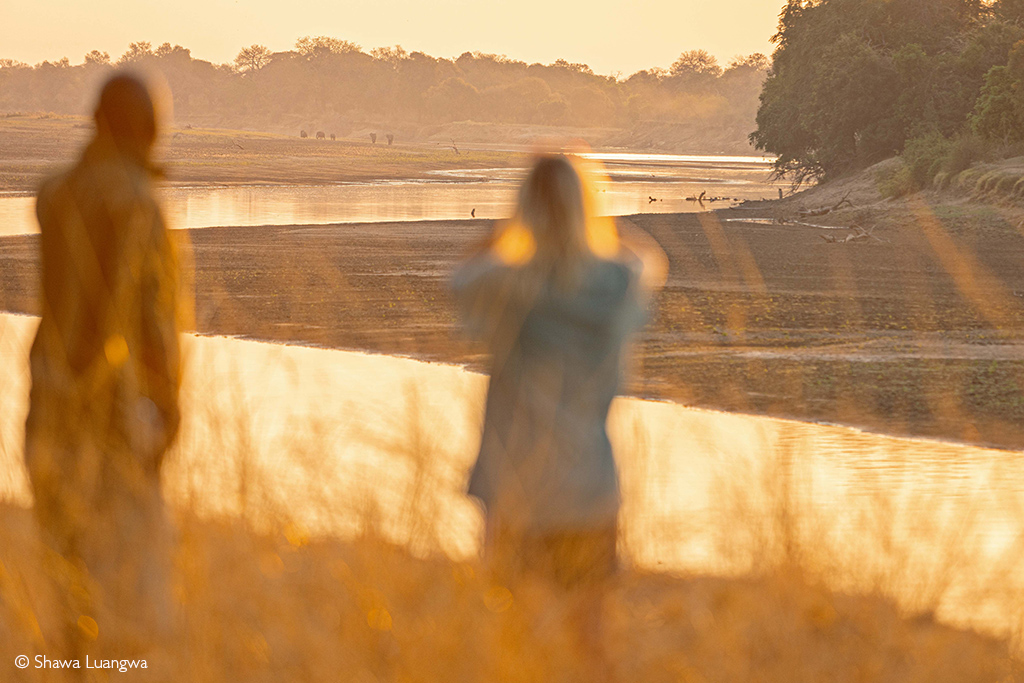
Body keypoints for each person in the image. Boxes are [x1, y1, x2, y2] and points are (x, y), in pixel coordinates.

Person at [452, 153, 665, 677]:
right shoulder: (615, 283)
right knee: (590, 640)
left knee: (510, 633)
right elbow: (646, 263)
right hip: (588, 482)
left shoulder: (506, 284)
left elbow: (462, 280)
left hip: (513, 482)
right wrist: (594, 231)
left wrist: (512, 232)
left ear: (525, 208)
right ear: (585, 206)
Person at [24, 71, 187, 658]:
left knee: (69, 577)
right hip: (115, 415)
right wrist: (168, 417)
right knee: (130, 587)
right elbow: (154, 331)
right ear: (146, 131)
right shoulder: (139, 205)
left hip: (46, 405)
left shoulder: (53, 194)